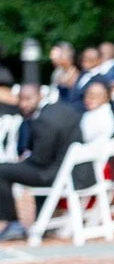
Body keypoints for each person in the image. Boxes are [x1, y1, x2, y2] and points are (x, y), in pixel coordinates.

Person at [0, 82, 82, 241]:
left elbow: (40, 160)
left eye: (28, 99)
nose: (23, 104)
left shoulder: (44, 120)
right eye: (21, 99)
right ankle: (37, 218)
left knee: (2, 171)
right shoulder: (62, 110)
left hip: (52, 174)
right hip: (70, 170)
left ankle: (13, 222)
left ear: (40, 96)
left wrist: (24, 160)